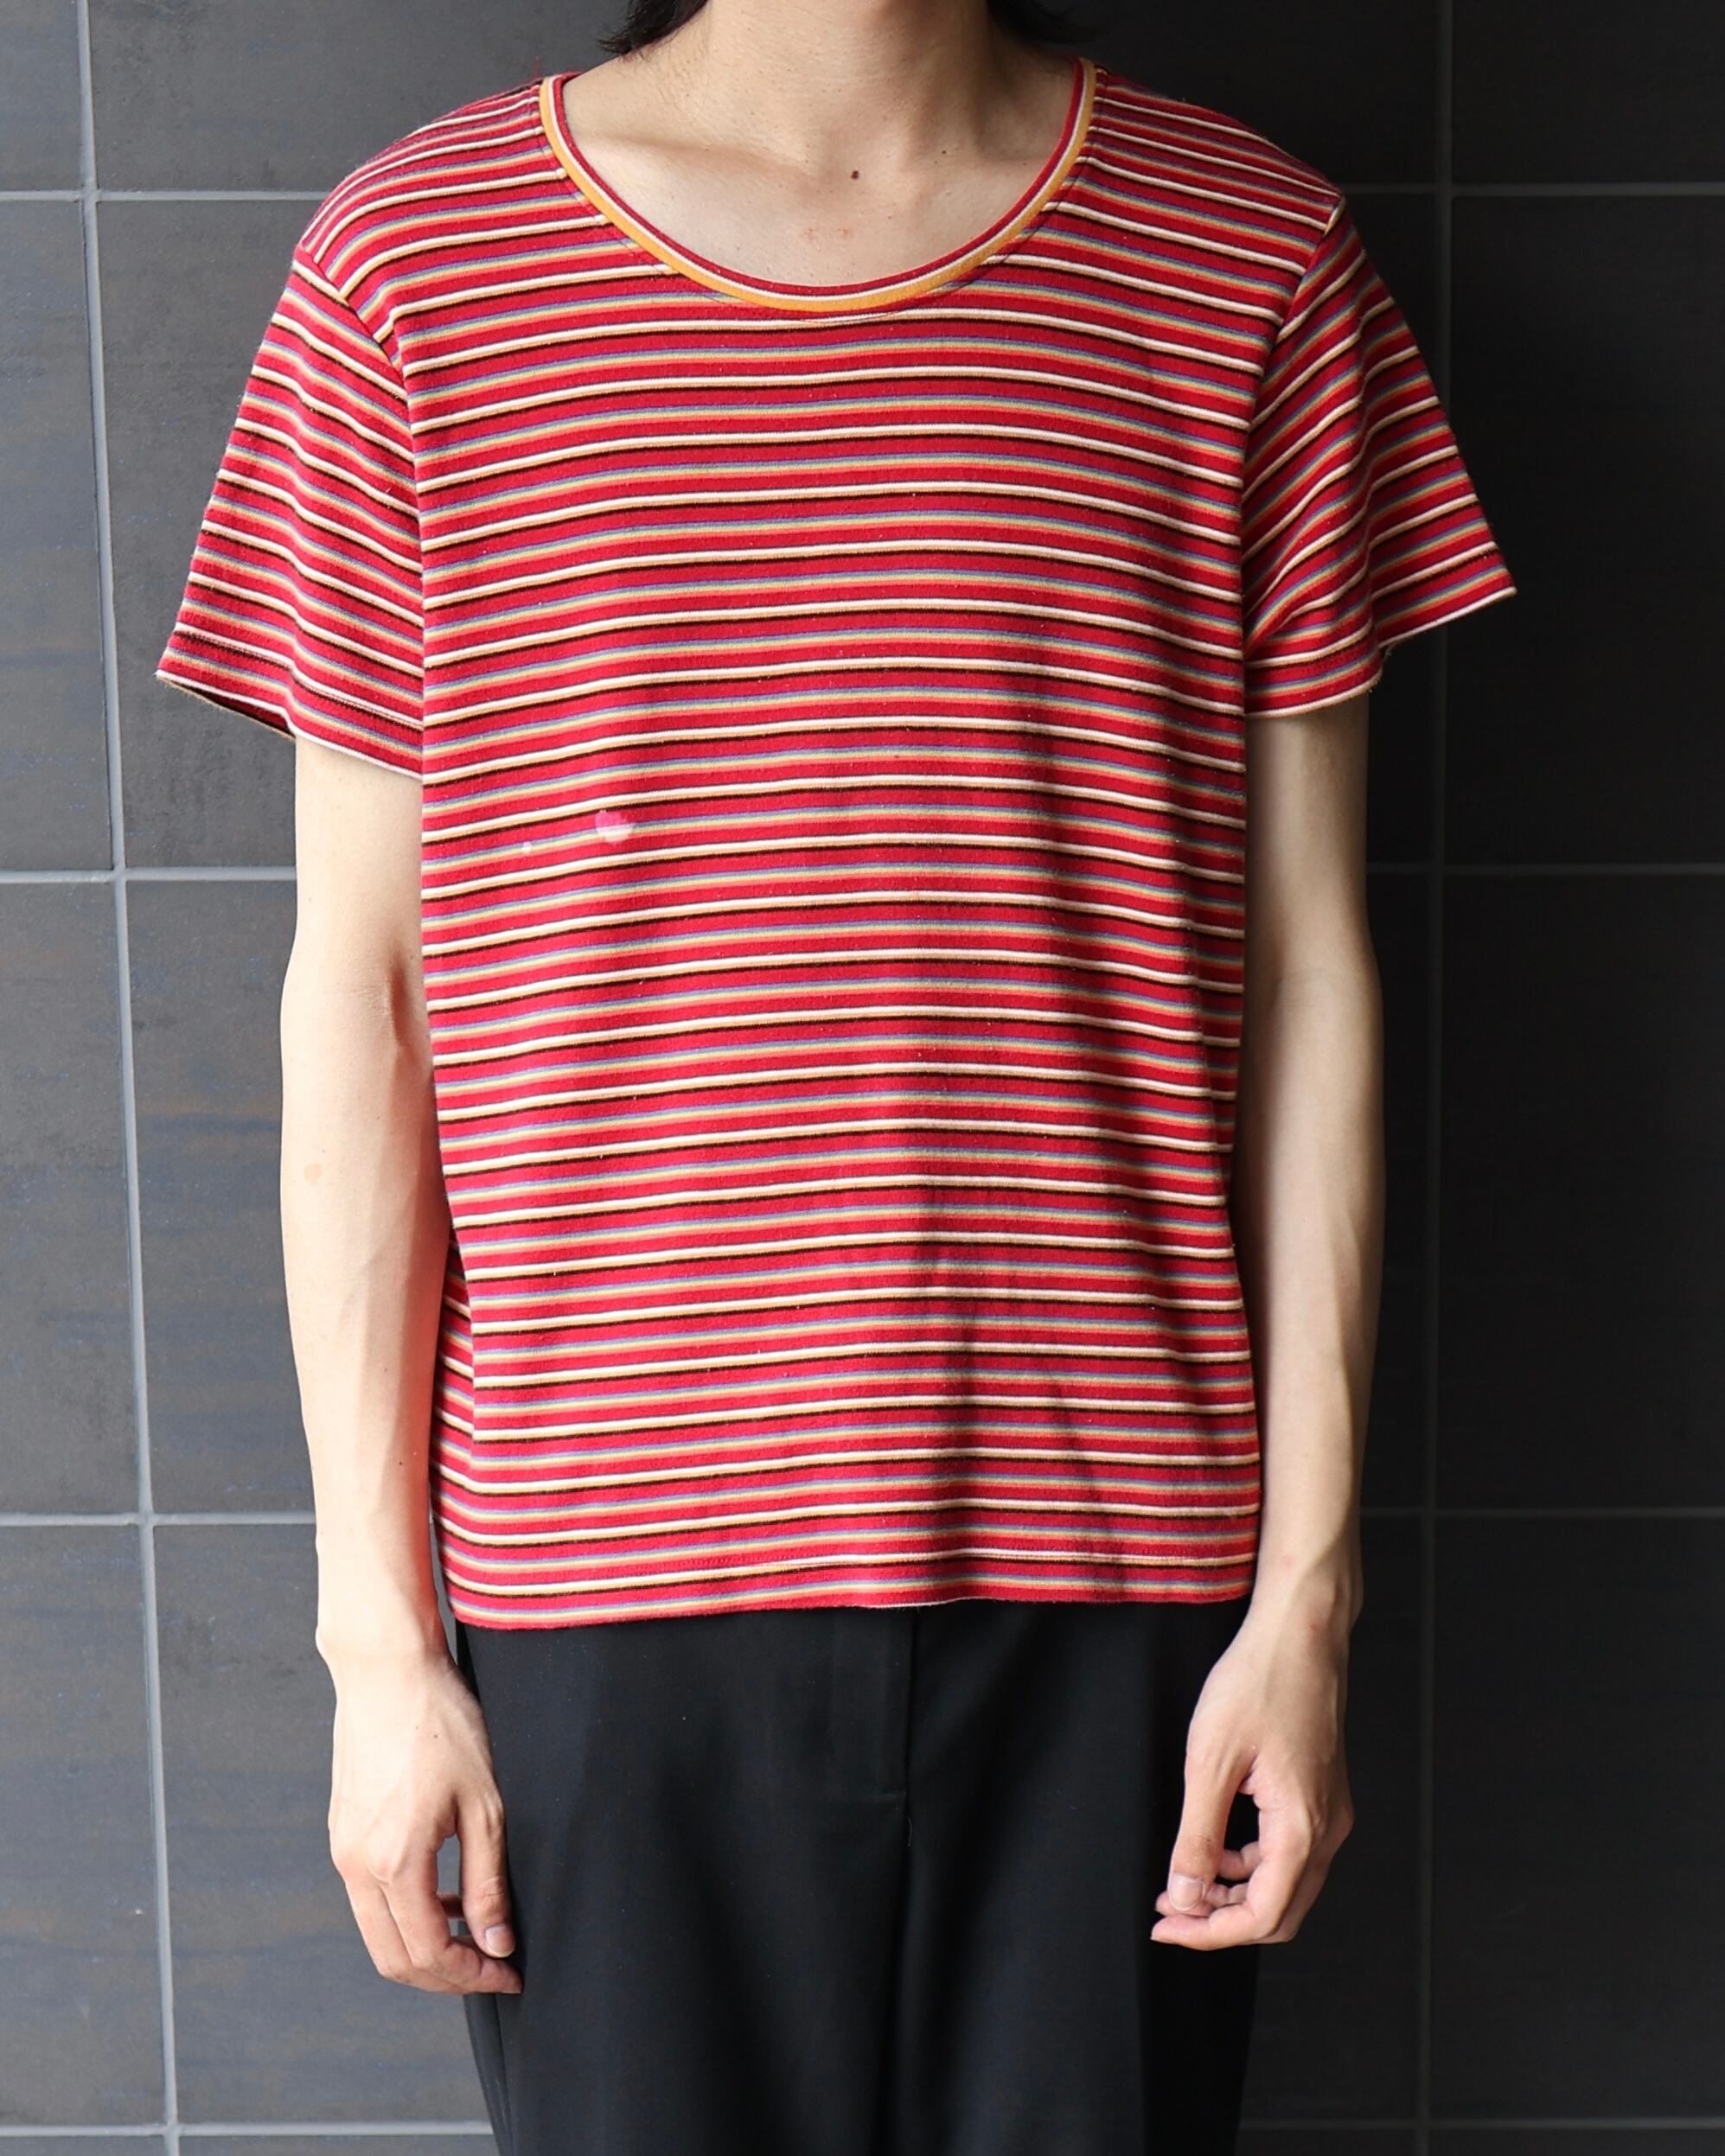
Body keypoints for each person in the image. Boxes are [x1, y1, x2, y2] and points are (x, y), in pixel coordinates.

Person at [154, 0, 1517, 2147]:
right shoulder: (413, 267)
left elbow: (1310, 974)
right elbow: (367, 996)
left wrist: (1306, 1599)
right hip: (597, 1578)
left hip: (1121, 1580)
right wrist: (376, 1648)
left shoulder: (1248, 256)